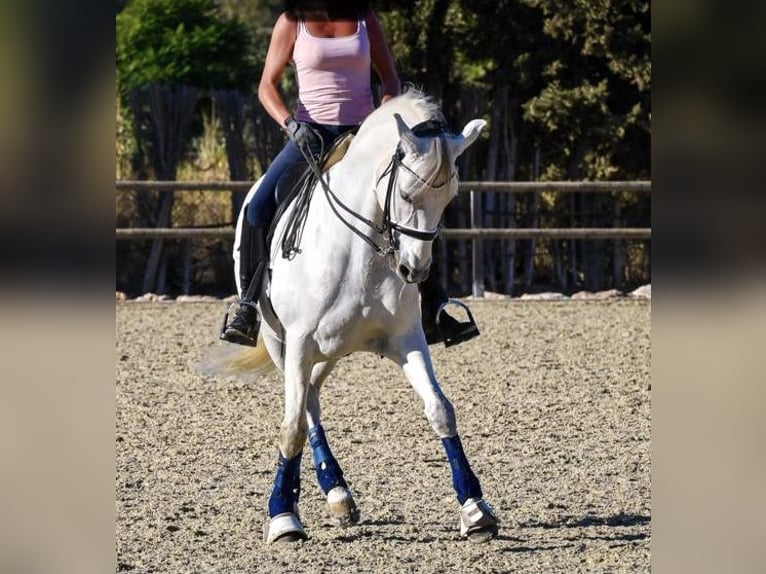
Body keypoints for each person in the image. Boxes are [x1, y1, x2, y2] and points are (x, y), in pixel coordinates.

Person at [221, 0, 479, 348]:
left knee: (417, 198)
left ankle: (436, 308)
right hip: (309, 134)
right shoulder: (291, 21)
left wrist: (383, 121)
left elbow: (390, 79)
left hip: (364, 136)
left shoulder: (364, 18)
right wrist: (290, 125)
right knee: (257, 208)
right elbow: (266, 86)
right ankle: (248, 306)